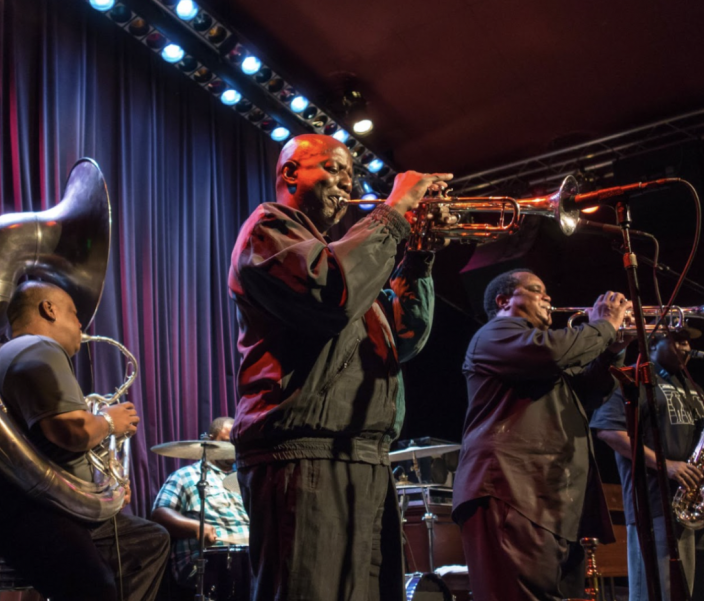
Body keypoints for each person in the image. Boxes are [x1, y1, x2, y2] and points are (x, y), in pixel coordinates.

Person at [227, 133, 452, 601]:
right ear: (291, 173)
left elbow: (405, 338)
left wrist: (419, 255)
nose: (346, 183)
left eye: (350, 174)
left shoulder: (347, 256)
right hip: (305, 456)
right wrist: (393, 213)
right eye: (333, 169)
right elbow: (331, 296)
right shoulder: (267, 229)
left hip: (365, 458)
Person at [0, 280, 170, 601]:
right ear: (49, 309)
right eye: (75, 314)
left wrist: (109, 487)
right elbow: (69, 432)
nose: (81, 325)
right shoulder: (39, 347)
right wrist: (108, 421)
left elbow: (53, 445)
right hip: (33, 509)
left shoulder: (11, 352)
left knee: (147, 541)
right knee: (95, 589)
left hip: (43, 504)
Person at [452, 268, 632, 601]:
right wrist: (604, 325)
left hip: (548, 500)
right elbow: (552, 352)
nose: (548, 297)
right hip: (510, 490)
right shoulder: (496, 333)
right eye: (536, 290)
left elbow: (589, 391)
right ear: (504, 300)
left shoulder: (545, 355)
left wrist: (611, 349)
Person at [590, 328, 704, 601]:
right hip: (660, 503)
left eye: (688, 342)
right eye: (679, 340)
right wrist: (667, 465)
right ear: (653, 342)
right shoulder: (632, 378)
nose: (686, 347)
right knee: (665, 592)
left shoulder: (692, 386)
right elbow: (609, 431)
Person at [152, 416, 250, 589]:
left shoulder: (245, 479)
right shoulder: (186, 475)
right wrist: (197, 527)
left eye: (236, 443)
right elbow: (160, 513)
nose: (232, 449)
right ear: (210, 441)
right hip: (205, 560)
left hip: (248, 558)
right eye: (226, 442)